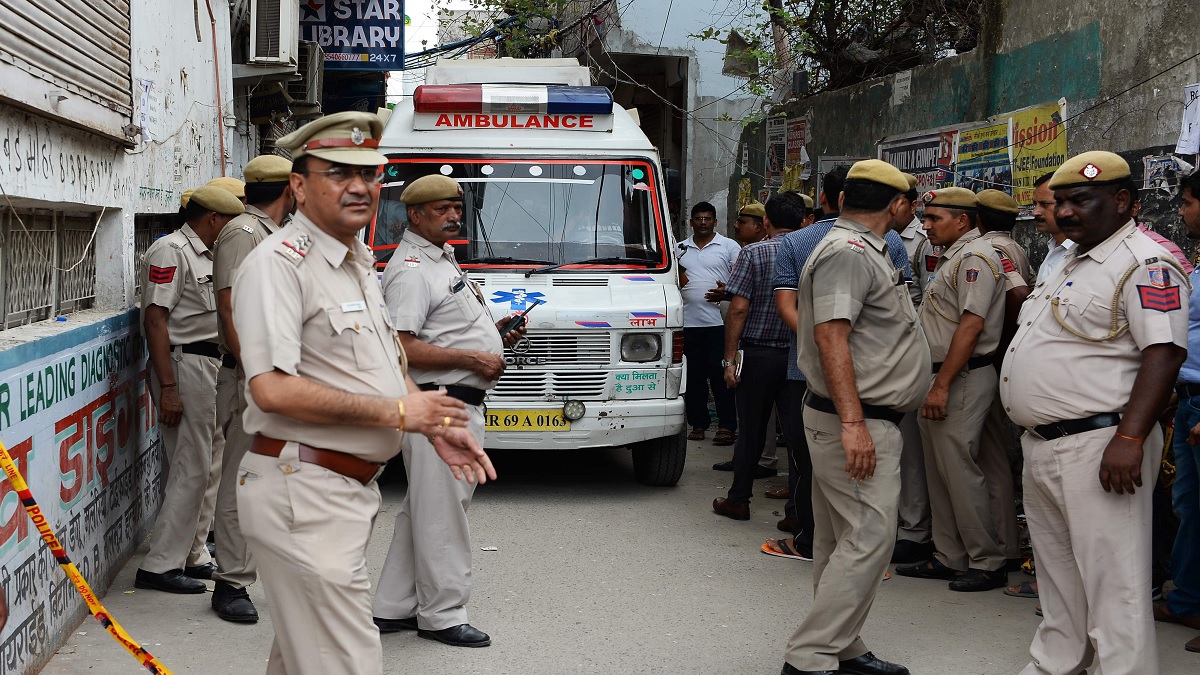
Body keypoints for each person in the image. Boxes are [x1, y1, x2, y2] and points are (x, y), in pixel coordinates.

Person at [231, 111, 495, 674]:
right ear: (299, 186)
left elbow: (388, 358)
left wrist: (430, 423)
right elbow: (272, 391)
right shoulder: (279, 267)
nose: (359, 187)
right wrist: (401, 409)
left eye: (370, 174)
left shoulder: (356, 261)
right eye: (338, 172)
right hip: (304, 493)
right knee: (349, 663)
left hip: (343, 494)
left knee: (303, 661)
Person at [1000, 151, 1187, 674]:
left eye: (1080, 200)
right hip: (1045, 443)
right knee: (1059, 579)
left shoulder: (1146, 261)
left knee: (1116, 585)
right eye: (1059, 202)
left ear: (1123, 200)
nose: (1064, 212)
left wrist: (1129, 439)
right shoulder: (1070, 258)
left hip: (1101, 445)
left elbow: (1165, 351)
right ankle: (1057, 664)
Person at [782, 159, 929, 675]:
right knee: (869, 537)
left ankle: (842, 646)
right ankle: (810, 656)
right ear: (899, 206)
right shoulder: (849, 252)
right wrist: (853, 424)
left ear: (841, 201)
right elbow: (830, 336)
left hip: (855, 417)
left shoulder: (864, 248)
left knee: (838, 538)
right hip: (856, 420)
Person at [371, 174, 525, 648]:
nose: (453, 216)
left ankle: (393, 607)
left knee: (425, 509)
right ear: (413, 216)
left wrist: (492, 336)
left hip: (455, 400)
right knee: (443, 515)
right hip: (440, 404)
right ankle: (442, 614)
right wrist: (473, 358)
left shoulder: (442, 261)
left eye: (456, 207)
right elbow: (401, 346)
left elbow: (441, 329)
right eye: (441, 209)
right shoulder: (413, 268)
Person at [768, 171, 913, 561]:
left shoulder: (801, 241)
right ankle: (835, 559)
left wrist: (820, 345)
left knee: (808, 467)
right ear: (897, 205)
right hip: (854, 399)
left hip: (823, 382)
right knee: (863, 528)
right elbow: (833, 334)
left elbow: (788, 307)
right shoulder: (867, 246)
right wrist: (828, 346)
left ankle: (809, 539)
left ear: (833, 197)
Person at [895, 187, 1008, 592]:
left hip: (959, 377)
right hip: (937, 374)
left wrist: (941, 385)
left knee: (960, 471)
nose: (925, 225)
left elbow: (971, 325)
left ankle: (986, 560)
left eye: (934, 218)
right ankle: (949, 554)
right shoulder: (952, 256)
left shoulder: (975, 256)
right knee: (939, 471)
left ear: (963, 220)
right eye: (924, 218)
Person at [135, 185, 243, 594]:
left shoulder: (209, 255)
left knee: (209, 463)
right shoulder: (171, 251)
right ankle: (160, 564)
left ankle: (192, 552)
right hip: (184, 365)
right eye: (230, 223)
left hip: (209, 364)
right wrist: (168, 387)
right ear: (214, 219)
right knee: (190, 465)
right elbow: (156, 321)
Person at [208, 153, 295, 623]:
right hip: (251, 377)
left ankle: (257, 572)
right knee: (243, 477)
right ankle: (231, 582)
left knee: (270, 479)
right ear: (290, 189)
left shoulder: (275, 234)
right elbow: (229, 310)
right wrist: (255, 374)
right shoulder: (243, 234)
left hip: (279, 376)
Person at [711, 193, 803, 521]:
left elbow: (738, 308)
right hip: (798, 354)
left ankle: (739, 500)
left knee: (751, 430)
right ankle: (797, 512)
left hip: (759, 354)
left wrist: (729, 359)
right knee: (797, 436)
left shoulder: (754, 253)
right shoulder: (813, 251)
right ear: (804, 219)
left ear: (766, 222)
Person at [975, 189, 1031, 568]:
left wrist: (1001, 346)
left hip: (989, 359)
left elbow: (1017, 296)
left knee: (989, 453)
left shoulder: (990, 250)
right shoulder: (1015, 247)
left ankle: (1000, 542)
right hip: (998, 359)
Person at [1156, 169, 1200, 653]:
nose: (1181, 210)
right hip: (1188, 402)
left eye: (1187, 202)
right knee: (1189, 507)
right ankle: (1187, 599)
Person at [893, 173, 936, 564]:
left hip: (910, 351)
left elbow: (924, 301)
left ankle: (914, 528)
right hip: (891, 353)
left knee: (912, 453)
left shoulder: (920, 243)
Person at [678, 201, 740, 445]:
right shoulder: (679, 248)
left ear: (715, 221)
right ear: (691, 221)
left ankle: (726, 426)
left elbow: (742, 279)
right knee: (692, 378)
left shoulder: (729, 246)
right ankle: (698, 424)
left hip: (719, 323)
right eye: (698, 218)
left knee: (721, 376)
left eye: (707, 218)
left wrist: (727, 292)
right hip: (687, 324)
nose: (703, 222)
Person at [1032, 172, 1073, 284]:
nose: (1035, 212)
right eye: (1035, 204)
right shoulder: (1054, 248)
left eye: (1044, 204)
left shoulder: (1082, 253)